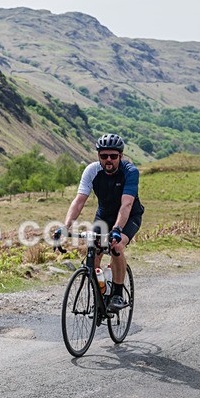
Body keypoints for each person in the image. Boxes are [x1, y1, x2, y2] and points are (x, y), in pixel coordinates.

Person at [55, 133, 144, 311]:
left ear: (120, 156)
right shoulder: (92, 171)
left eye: (113, 156)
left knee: (116, 246)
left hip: (129, 216)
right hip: (104, 216)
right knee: (93, 252)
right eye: (104, 156)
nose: (108, 159)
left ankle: (117, 294)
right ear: (98, 156)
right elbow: (79, 201)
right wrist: (66, 226)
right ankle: (100, 295)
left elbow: (126, 204)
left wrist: (117, 229)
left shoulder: (130, 172)